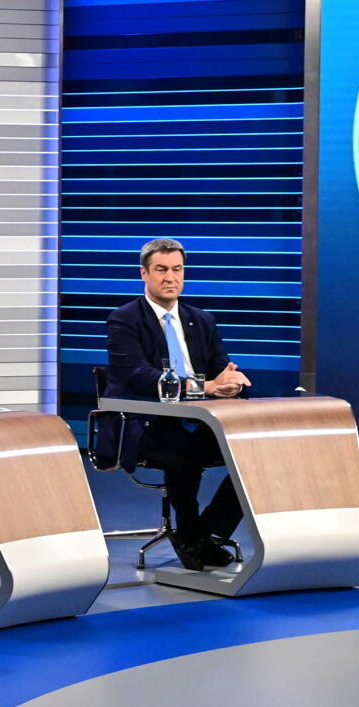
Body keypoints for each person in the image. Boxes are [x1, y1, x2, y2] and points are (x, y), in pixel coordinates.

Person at [101, 238, 252, 571]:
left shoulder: (202, 319)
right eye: (161, 270)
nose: (170, 278)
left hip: (197, 420)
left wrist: (230, 382)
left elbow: (220, 368)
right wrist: (205, 387)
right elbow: (140, 377)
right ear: (144, 274)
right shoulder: (124, 320)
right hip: (144, 423)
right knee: (184, 453)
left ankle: (205, 534)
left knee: (252, 450)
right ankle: (191, 536)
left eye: (177, 269)